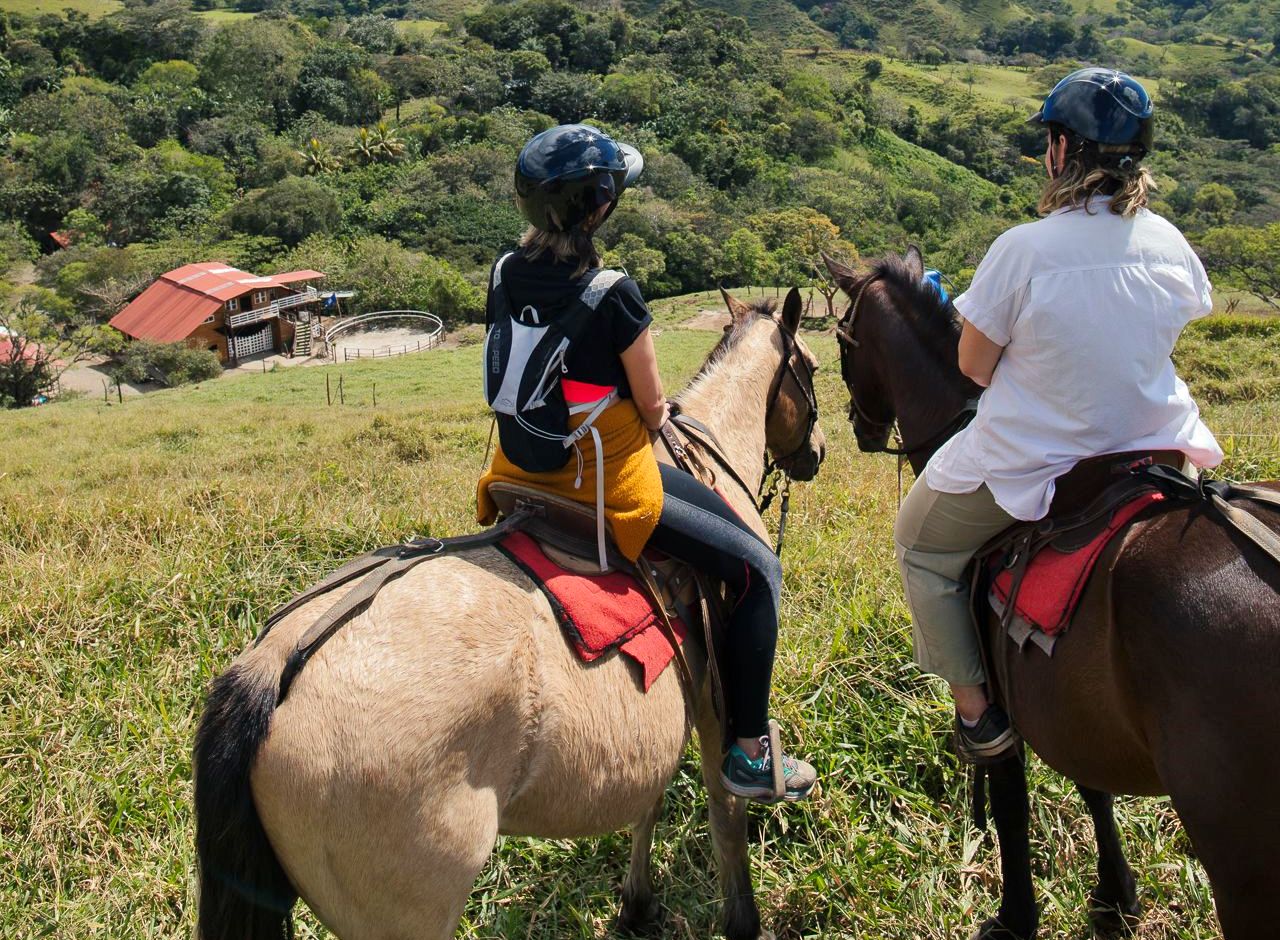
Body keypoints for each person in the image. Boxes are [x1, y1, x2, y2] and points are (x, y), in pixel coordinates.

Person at [475, 124, 817, 801]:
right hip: (607, 487)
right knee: (756, 569)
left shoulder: (503, 273)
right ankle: (749, 752)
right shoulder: (615, 292)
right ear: (600, 207)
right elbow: (657, 408)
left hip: (514, 473)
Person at [893, 68, 1224, 763]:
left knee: (920, 545)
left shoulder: (1024, 248)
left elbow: (973, 369)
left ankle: (977, 713)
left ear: (1063, 150)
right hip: (1154, 451)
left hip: (1043, 458)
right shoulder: (1169, 242)